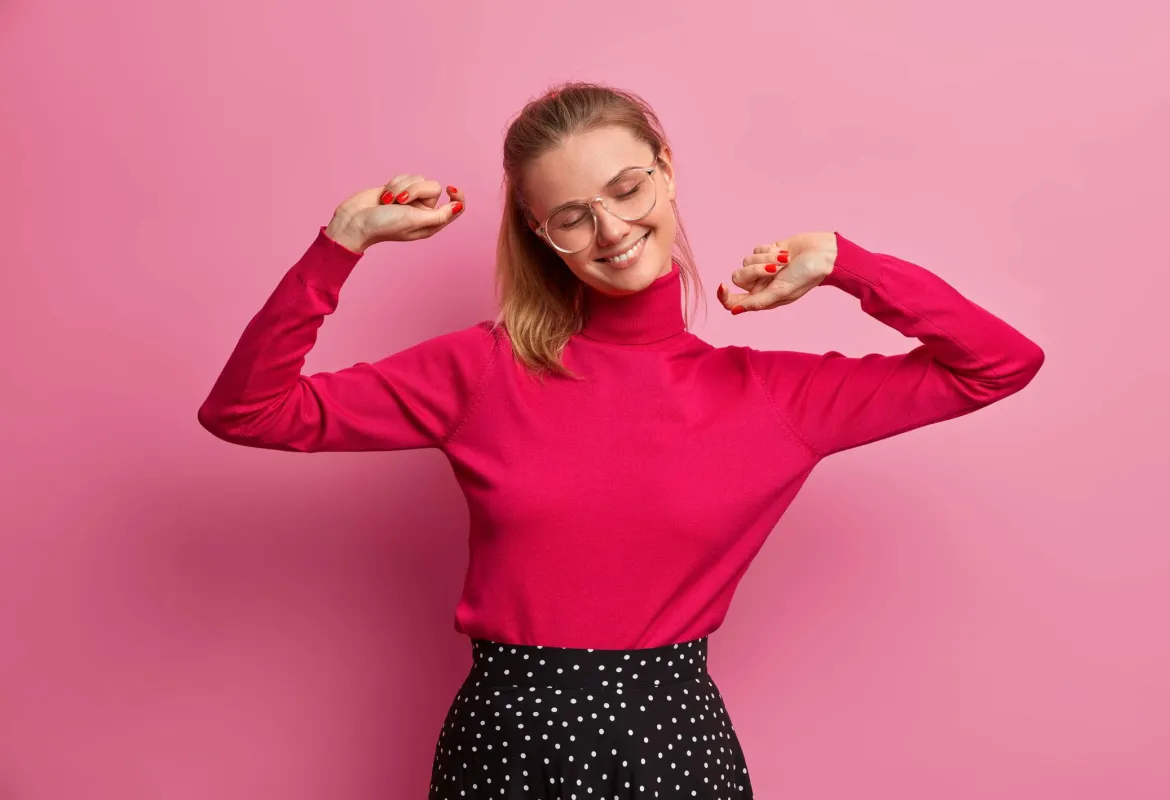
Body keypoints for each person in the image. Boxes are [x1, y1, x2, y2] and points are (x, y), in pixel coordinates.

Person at [198, 81, 1044, 799]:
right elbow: (249, 411)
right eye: (571, 215)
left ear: (668, 172)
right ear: (539, 233)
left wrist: (842, 261)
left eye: (627, 189)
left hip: (672, 746)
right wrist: (339, 245)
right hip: (505, 747)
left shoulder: (775, 396)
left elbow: (998, 364)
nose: (609, 231)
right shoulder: (482, 371)